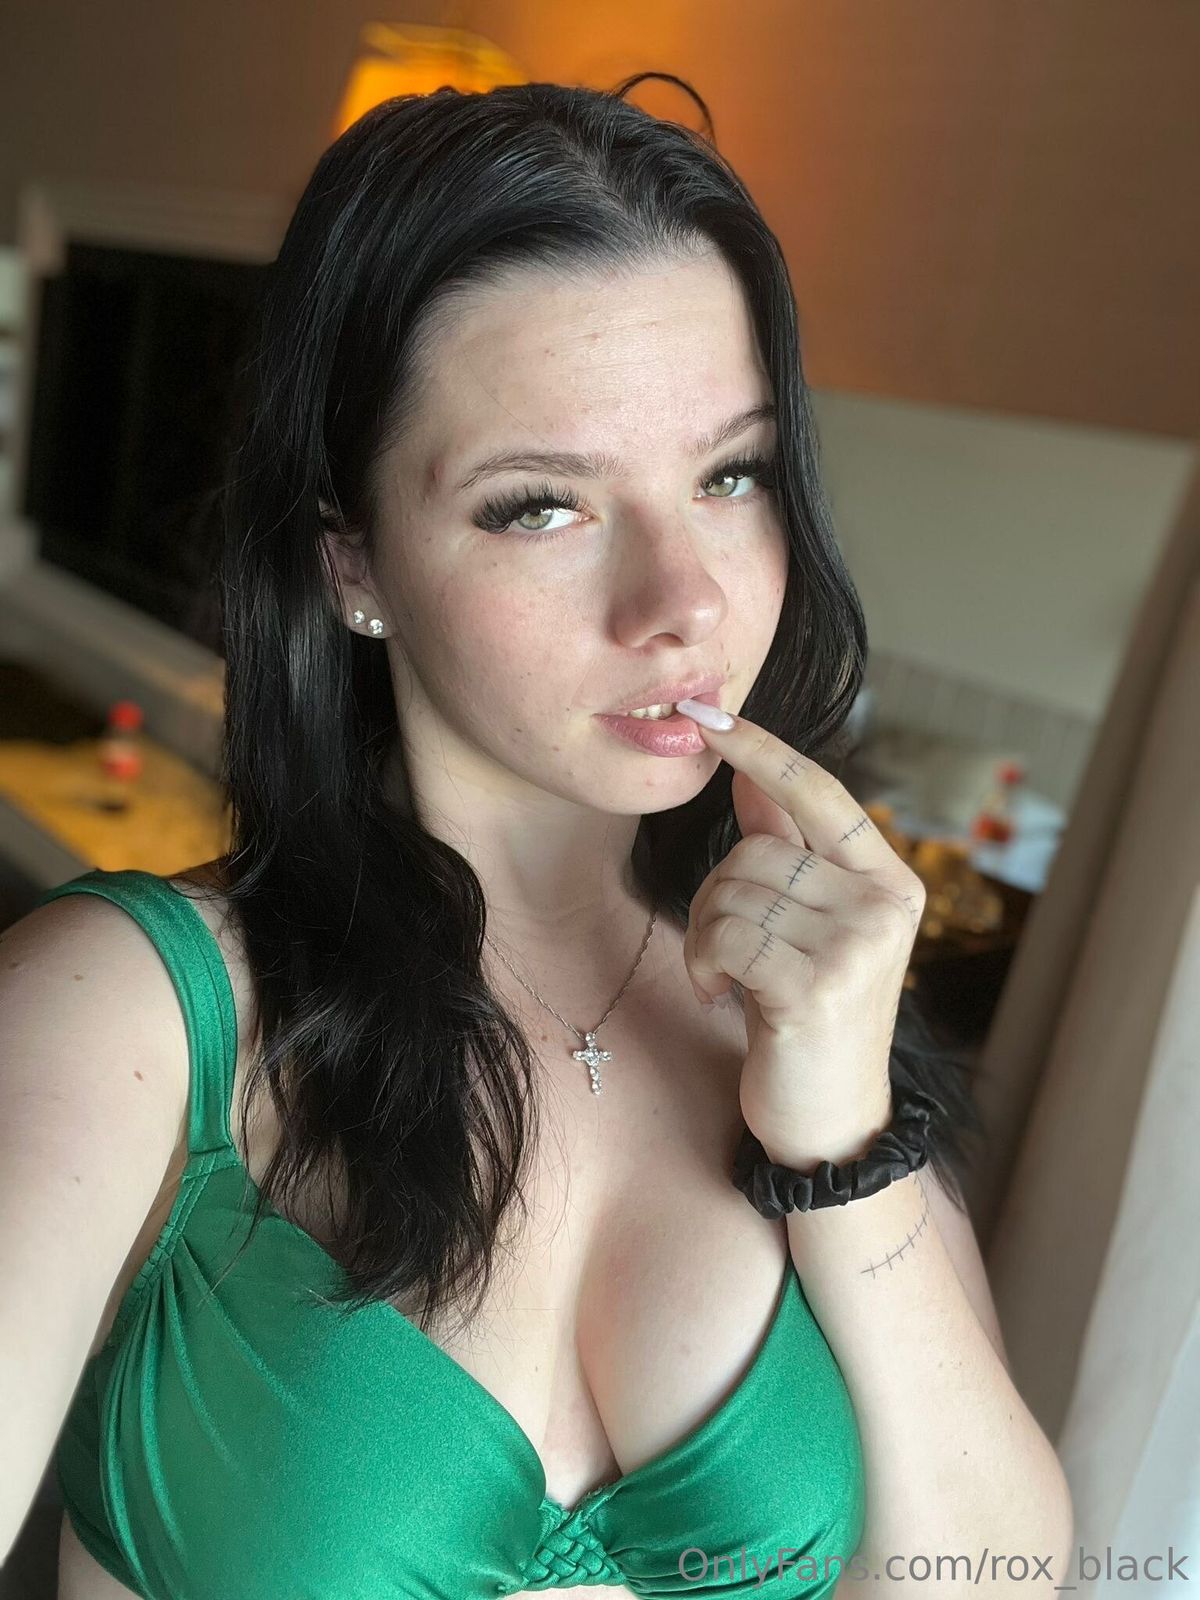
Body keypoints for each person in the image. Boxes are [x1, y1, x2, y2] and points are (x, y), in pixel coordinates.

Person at [1, 74, 1072, 1600]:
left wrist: (842, 1140)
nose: (685, 603)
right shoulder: (131, 1013)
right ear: (352, 560)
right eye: (542, 507)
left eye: (730, 474)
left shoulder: (804, 1011)